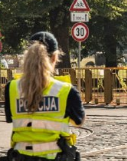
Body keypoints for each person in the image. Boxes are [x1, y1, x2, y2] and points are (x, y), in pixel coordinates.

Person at [3, 31, 85, 161]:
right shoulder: (66, 90)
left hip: (20, 156)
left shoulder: (11, 88)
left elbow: (10, 118)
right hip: (55, 156)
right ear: (55, 58)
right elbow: (79, 121)